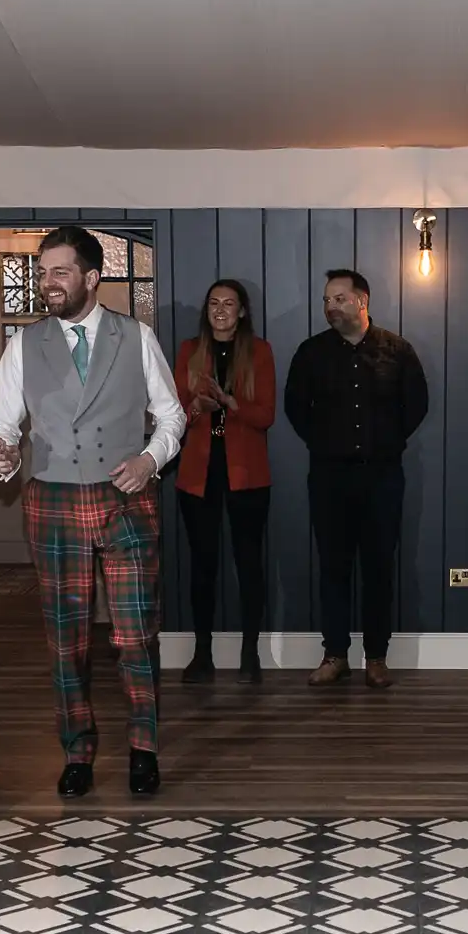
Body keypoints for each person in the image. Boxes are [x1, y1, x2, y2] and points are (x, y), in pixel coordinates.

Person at [0, 226, 187, 798]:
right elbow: (0, 423)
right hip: (52, 501)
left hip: (126, 499)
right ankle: (77, 750)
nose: (47, 282)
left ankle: (144, 748)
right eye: (42, 271)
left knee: (134, 635)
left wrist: (150, 460)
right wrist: (1, 454)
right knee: (65, 638)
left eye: (59, 271)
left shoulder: (137, 337)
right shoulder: (24, 345)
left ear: (91, 277)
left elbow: (172, 417)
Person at [284, 269, 429, 689]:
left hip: (383, 477)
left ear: (362, 301)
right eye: (326, 300)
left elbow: (417, 405)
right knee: (333, 567)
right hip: (328, 477)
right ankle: (334, 655)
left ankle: (377, 657)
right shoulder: (311, 353)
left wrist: (386, 440)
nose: (331, 306)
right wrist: (326, 441)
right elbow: (296, 408)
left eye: (340, 298)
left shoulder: (397, 350)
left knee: (379, 568)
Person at [174, 279, 278, 684]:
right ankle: (202, 653)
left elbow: (265, 416)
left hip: (247, 476)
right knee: (202, 567)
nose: (220, 309)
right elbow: (174, 414)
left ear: (242, 311)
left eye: (229, 303)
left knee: (248, 565)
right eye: (213, 302)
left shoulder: (260, 351)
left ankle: (250, 652)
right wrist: (196, 407)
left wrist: (232, 403)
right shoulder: (188, 351)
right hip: (198, 476)